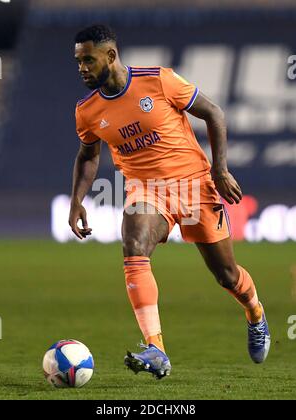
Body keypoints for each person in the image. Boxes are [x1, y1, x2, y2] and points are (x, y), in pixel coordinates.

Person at [69, 24, 270, 379]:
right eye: (78, 61)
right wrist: (77, 200)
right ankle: (156, 348)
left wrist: (220, 170)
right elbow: (88, 155)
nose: (82, 67)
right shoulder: (87, 111)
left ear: (111, 56)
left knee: (226, 275)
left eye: (88, 59)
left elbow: (214, 114)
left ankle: (254, 311)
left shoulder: (158, 80)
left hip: (195, 185)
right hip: (146, 190)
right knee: (134, 245)